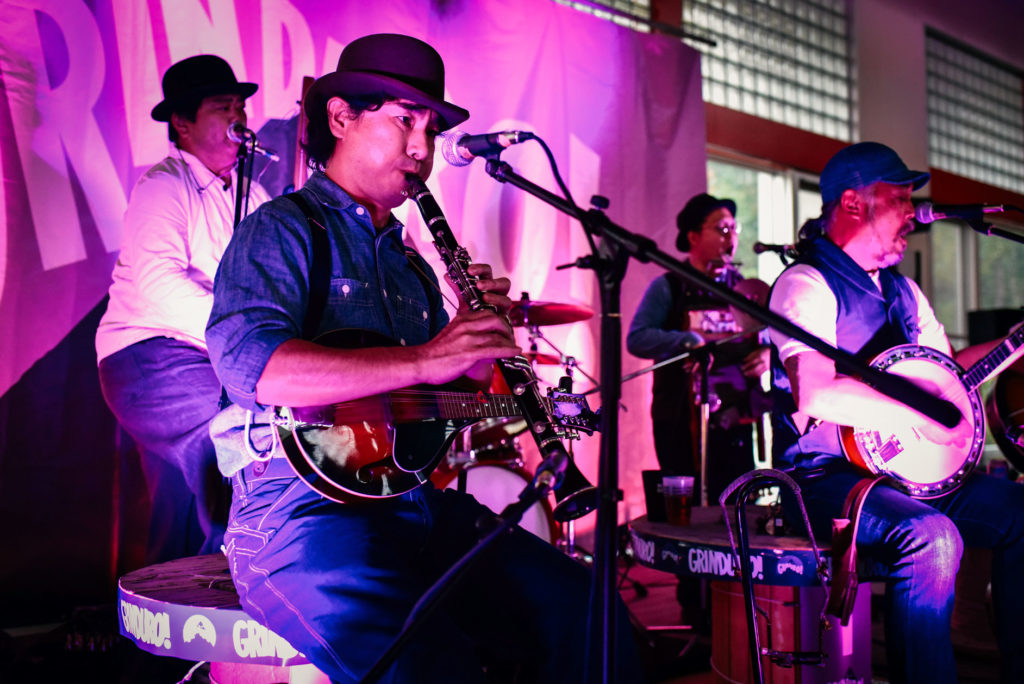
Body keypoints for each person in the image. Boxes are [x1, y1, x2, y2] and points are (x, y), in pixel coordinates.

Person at [205, 33, 643, 683]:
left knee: (587, 615)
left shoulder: (413, 266)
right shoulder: (285, 227)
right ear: (340, 118)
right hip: (298, 517)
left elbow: (437, 399)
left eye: (432, 131)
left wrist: (476, 344)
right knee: (431, 666)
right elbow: (253, 367)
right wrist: (428, 357)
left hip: (411, 507)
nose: (422, 148)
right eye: (405, 120)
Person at [768, 141, 1024, 683]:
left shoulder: (904, 291)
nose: (913, 213)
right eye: (900, 198)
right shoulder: (805, 284)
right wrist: (915, 414)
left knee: (1019, 510)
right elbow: (815, 393)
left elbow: (947, 375)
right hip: (825, 479)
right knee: (932, 538)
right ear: (853, 202)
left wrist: (1012, 345)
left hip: (906, 476)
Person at [96, 55, 270, 564]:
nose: (238, 116)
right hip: (147, 355)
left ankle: (172, 602)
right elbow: (159, 285)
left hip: (210, 357)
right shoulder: (164, 184)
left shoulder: (253, 195)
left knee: (176, 509)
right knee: (237, 431)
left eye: (240, 106)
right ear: (182, 122)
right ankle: (237, 576)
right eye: (222, 106)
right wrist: (243, 338)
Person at [627, 193, 770, 503]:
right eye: (722, 229)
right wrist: (685, 341)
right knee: (686, 509)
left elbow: (777, 337)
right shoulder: (669, 286)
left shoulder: (746, 290)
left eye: (734, 229)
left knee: (736, 508)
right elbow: (637, 338)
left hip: (735, 421)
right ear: (693, 236)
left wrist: (768, 355)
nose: (731, 237)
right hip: (679, 421)